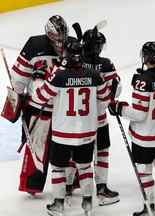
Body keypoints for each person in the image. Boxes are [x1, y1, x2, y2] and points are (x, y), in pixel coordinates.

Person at [33, 39, 109, 216]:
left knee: (58, 168)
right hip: (87, 132)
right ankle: (88, 204)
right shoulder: (94, 75)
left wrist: (38, 78)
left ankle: (58, 205)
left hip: (62, 133)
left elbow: (40, 97)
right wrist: (92, 113)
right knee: (85, 167)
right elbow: (105, 98)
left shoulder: (58, 75)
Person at [108, 41, 155, 216]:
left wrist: (120, 108)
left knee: (144, 170)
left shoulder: (142, 81)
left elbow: (139, 114)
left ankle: (150, 208)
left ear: (145, 57)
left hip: (144, 137)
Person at [1, 15, 69, 195]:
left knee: (64, 147)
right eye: (57, 37)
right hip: (44, 108)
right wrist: (17, 94)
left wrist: (18, 90)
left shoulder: (70, 44)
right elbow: (18, 78)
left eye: (63, 37)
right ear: (48, 34)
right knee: (46, 145)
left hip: (64, 108)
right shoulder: (35, 45)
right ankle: (35, 184)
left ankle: (53, 184)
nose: (60, 42)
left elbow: (17, 79)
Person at [81, 26, 121, 206]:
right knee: (102, 152)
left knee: (78, 155)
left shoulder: (75, 61)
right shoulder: (105, 64)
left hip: (78, 121)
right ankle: (102, 189)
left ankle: (70, 188)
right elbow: (116, 88)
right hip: (99, 119)